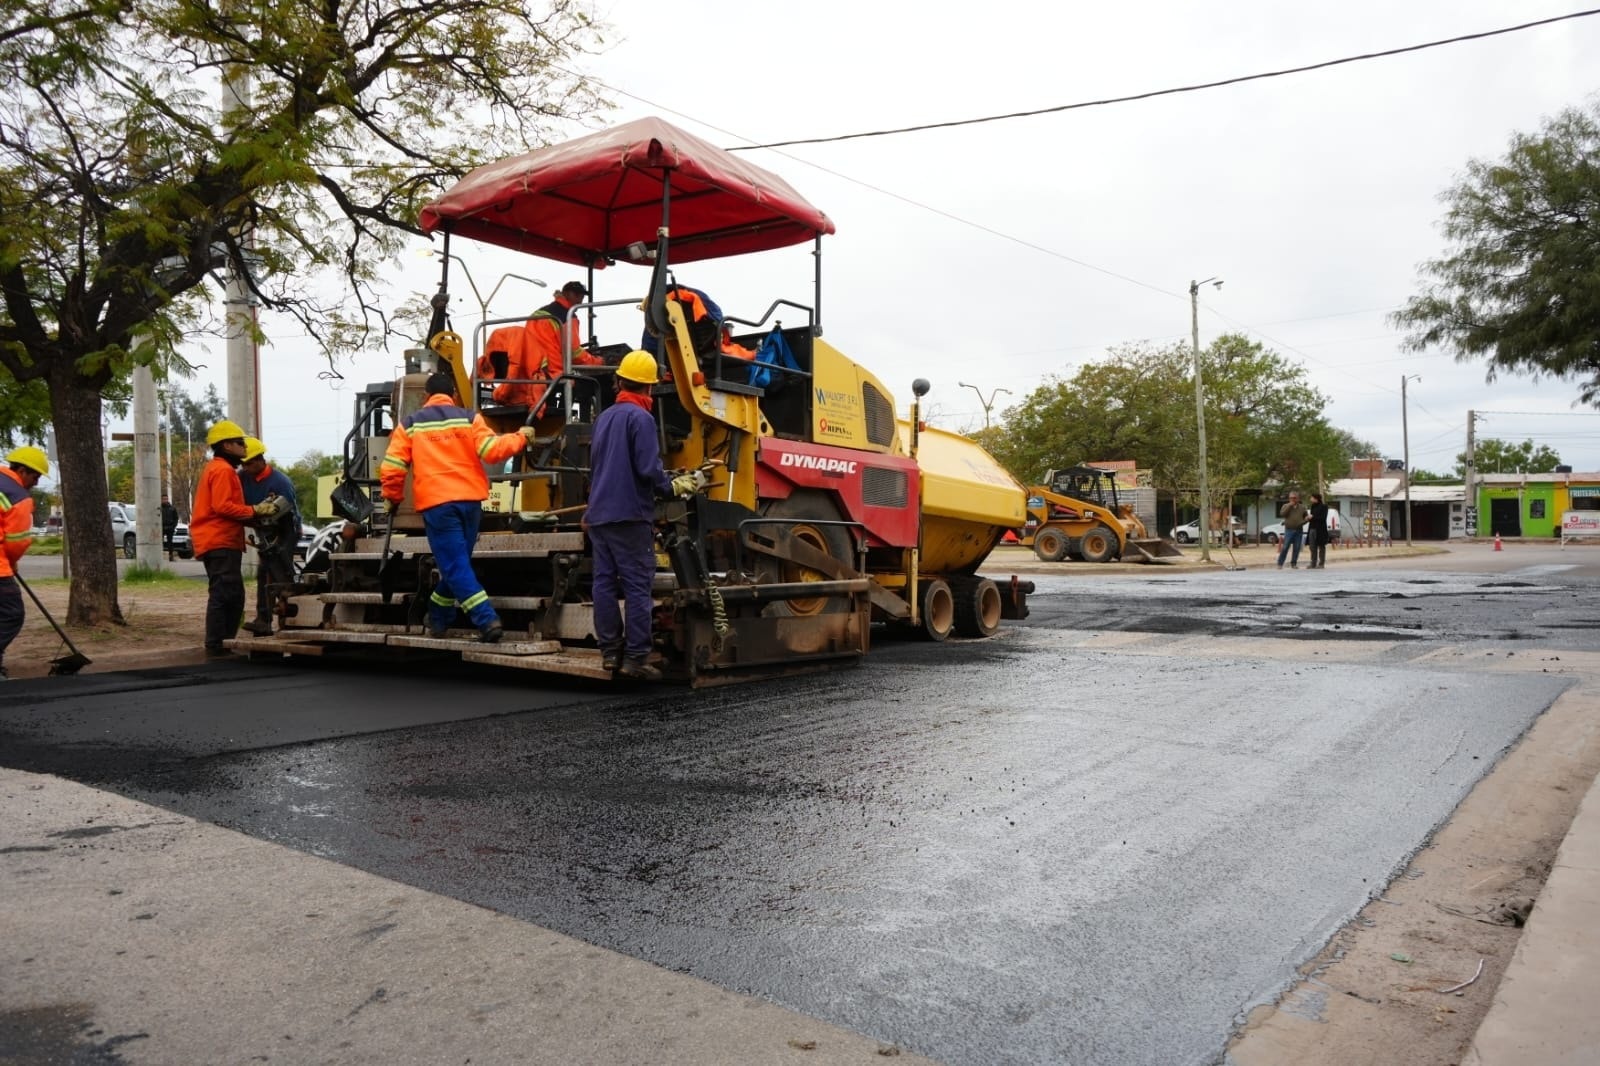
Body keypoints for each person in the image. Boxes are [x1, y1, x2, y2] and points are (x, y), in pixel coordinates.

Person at [379, 371, 534, 643]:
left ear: (426, 396)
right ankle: (438, 615)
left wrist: (392, 497)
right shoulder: (470, 418)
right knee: (457, 565)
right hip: (470, 503)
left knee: (454, 566)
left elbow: (393, 467)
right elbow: (492, 451)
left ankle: (486, 619)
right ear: (453, 395)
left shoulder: (410, 424)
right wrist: (521, 437)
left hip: (438, 505)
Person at [585, 350, 703, 680]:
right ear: (649, 387)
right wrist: (673, 486)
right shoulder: (642, 419)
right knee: (637, 586)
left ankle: (611, 653)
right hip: (630, 515)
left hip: (600, 515)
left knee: (603, 584)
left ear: (620, 381)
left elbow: (597, 468)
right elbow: (648, 469)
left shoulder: (604, 418)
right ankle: (635, 658)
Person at [192, 421, 277, 656]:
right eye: (240, 443)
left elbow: (223, 508)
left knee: (230, 594)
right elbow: (222, 507)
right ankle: (217, 644)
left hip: (218, 539)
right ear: (227, 445)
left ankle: (221, 643)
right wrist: (255, 511)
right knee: (226, 594)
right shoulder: (223, 470)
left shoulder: (217, 468)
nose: (244, 447)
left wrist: (252, 518)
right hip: (219, 540)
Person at [491, 281, 603, 407]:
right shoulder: (568, 317)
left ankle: (557, 412)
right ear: (566, 294)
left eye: (581, 296)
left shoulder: (538, 313)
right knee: (586, 385)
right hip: (552, 371)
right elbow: (573, 353)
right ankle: (566, 417)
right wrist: (597, 362)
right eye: (577, 295)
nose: (580, 300)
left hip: (531, 371)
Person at [237, 438, 301, 636]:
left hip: (285, 529)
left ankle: (288, 617)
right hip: (263, 528)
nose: (245, 467)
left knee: (280, 572)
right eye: (243, 464)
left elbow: (287, 509)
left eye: (248, 463)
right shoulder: (242, 478)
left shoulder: (280, 482)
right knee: (264, 573)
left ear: (260, 460)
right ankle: (263, 619)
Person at [0, 446, 48, 680]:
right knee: (11, 614)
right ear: (21, 470)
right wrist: (11, 562)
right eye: (35, 476)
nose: (35, 483)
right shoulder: (18, 497)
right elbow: (17, 541)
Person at [1276, 491, 1309, 569]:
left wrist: (1305, 521)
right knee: (1285, 547)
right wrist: (1289, 506)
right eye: (1291, 498)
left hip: (1299, 530)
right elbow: (1282, 514)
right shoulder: (1285, 506)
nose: (1292, 499)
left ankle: (1293, 563)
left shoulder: (1302, 507)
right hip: (1289, 530)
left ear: (1298, 498)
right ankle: (1280, 563)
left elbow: (1306, 517)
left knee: (1297, 548)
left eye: (1294, 498)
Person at [1306, 492, 1329, 570]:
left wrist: (1313, 517)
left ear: (1316, 498)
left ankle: (1321, 563)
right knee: (1312, 546)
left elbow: (1323, 518)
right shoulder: (1313, 506)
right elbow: (1312, 518)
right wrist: (1309, 518)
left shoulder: (1324, 507)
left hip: (1320, 529)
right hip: (1312, 528)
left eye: (1312, 497)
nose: (1310, 499)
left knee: (1321, 546)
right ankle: (1313, 563)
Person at [160, 494, 179, 561]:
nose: (165, 500)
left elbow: (176, 518)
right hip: (161, 527)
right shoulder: (159, 508)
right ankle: (160, 556)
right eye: (163, 499)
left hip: (170, 527)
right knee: (160, 542)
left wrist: (173, 526)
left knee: (170, 543)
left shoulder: (172, 508)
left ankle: (171, 556)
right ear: (161, 500)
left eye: (166, 499)